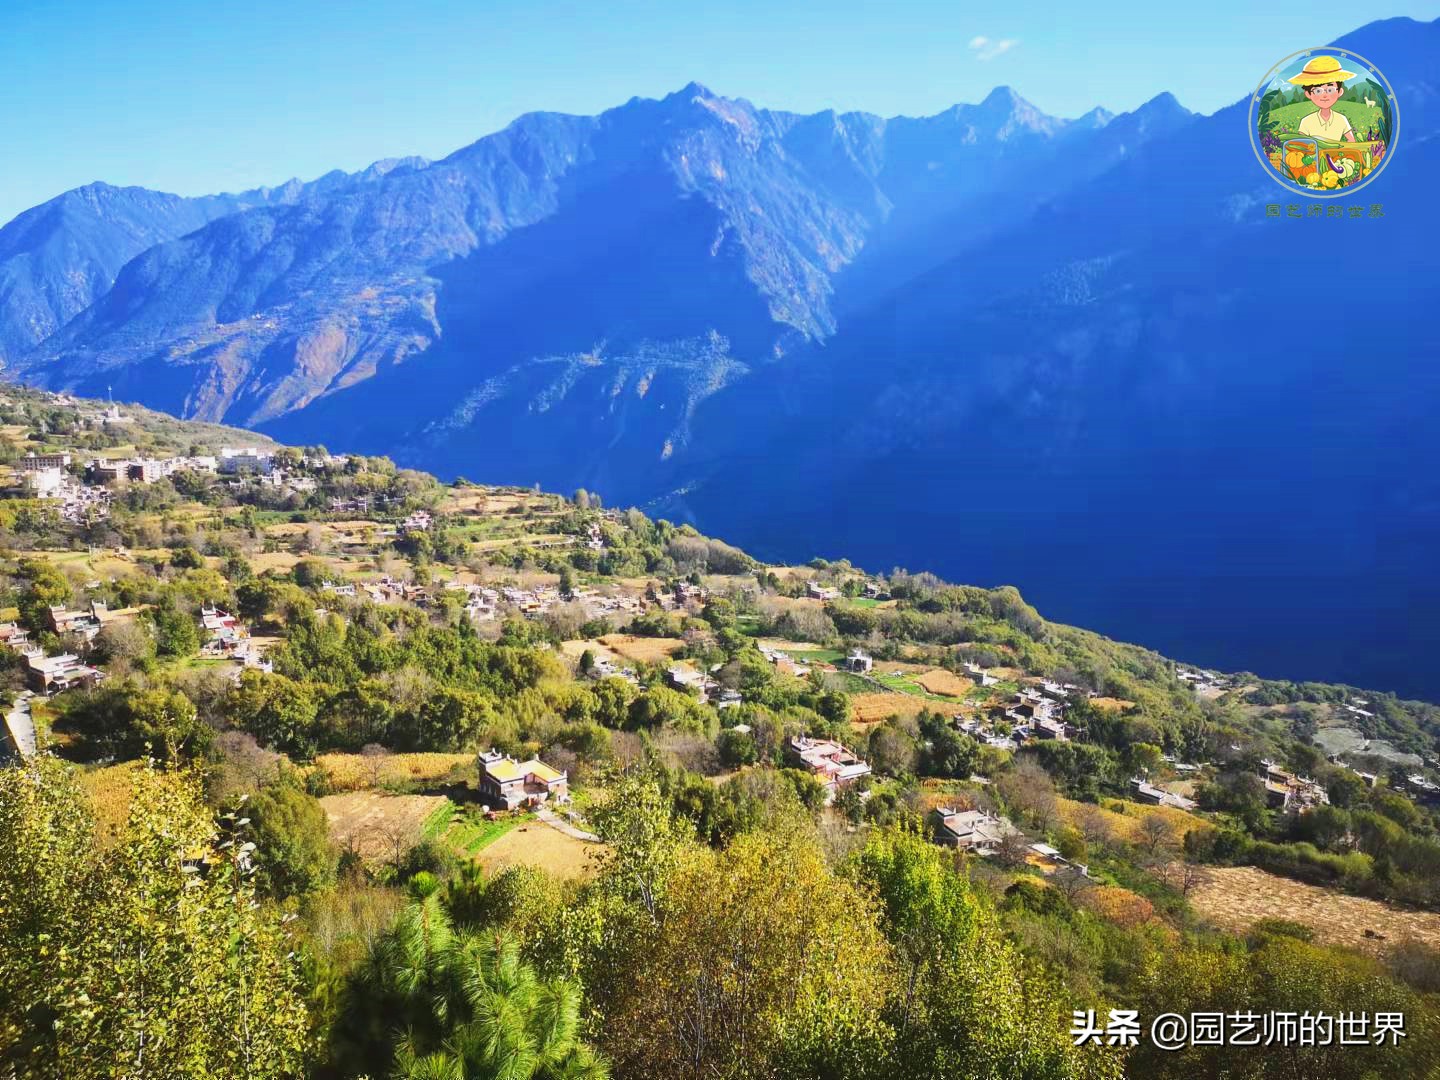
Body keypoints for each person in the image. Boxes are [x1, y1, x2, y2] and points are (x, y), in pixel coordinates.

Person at [1289, 56, 1356, 142]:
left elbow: (1351, 141)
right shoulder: (1306, 121)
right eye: (1318, 91)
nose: (1324, 95)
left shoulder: (1341, 119)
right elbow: (1302, 144)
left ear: (1339, 92)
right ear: (1308, 94)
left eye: (1330, 90)